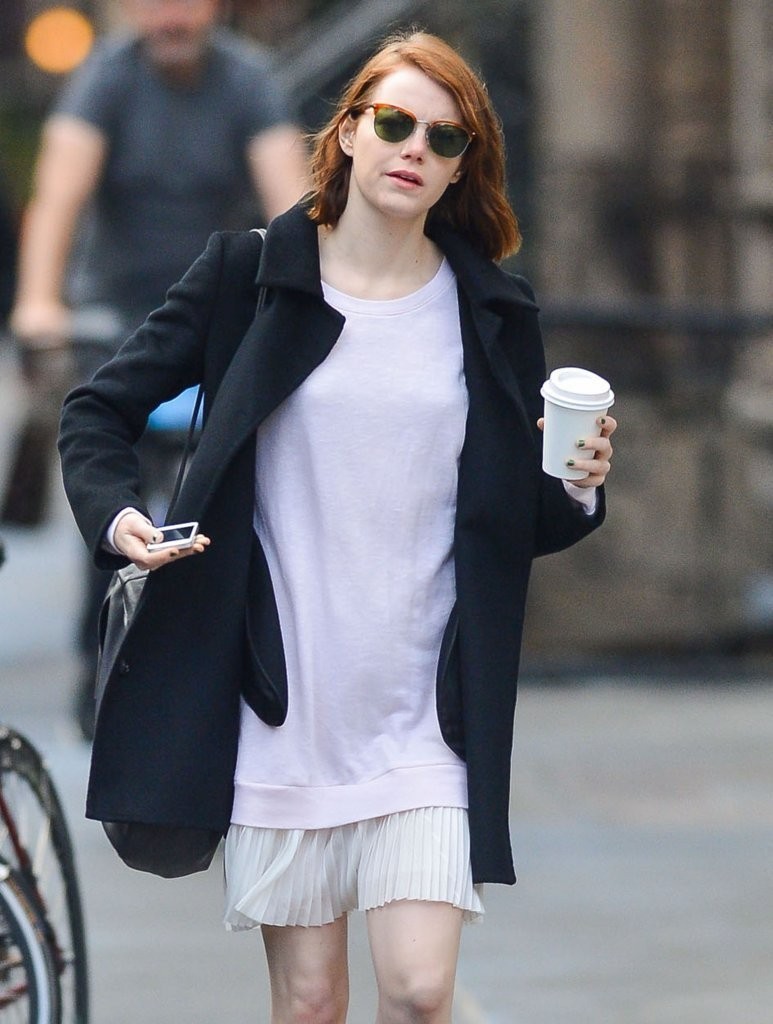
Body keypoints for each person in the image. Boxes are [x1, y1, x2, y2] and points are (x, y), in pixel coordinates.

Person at [59, 30, 617, 1023]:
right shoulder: (250, 276)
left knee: (418, 991)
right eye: (394, 123)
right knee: (311, 1003)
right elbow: (96, 410)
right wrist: (122, 519)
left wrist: (575, 484)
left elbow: (509, 520)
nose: (414, 149)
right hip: (284, 712)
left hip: (426, 715)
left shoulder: (490, 311)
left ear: (461, 169)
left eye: (444, 139)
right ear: (349, 132)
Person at [11, 0, 308, 740]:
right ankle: (98, 663)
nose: (170, 16)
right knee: (114, 478)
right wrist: (40, 299)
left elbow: (293, 202)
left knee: (231, 487)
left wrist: (309, 292)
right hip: (120, 319)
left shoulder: (248, 80)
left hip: (214, 317)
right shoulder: (106, 78)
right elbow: (58, 197)